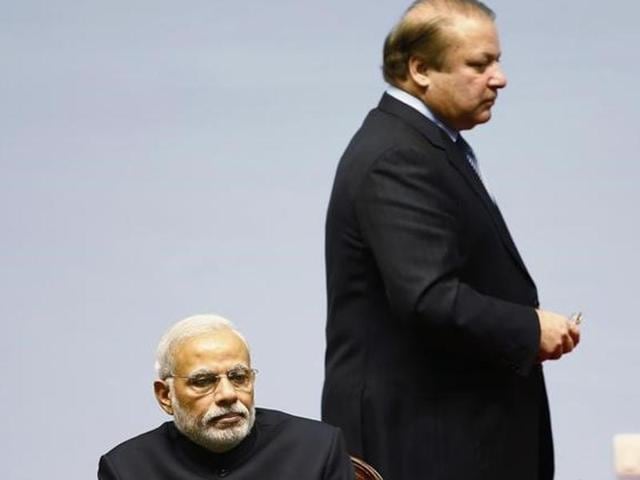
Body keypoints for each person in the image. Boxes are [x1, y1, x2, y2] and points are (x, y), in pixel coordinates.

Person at [321, 1, 581, 479]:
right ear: (420, 69)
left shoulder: (420, 145)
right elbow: (428, 298)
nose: (499, 78)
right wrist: (528, 328)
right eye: (480, 64)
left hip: (445, 436)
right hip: (424, 445)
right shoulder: (399, 156)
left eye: (497, 61)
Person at [99, 314, 354, 480]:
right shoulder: (126, 469)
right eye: (203, 381)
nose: (228, 395)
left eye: (238, 377)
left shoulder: (318, 448)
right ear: (165, 396)